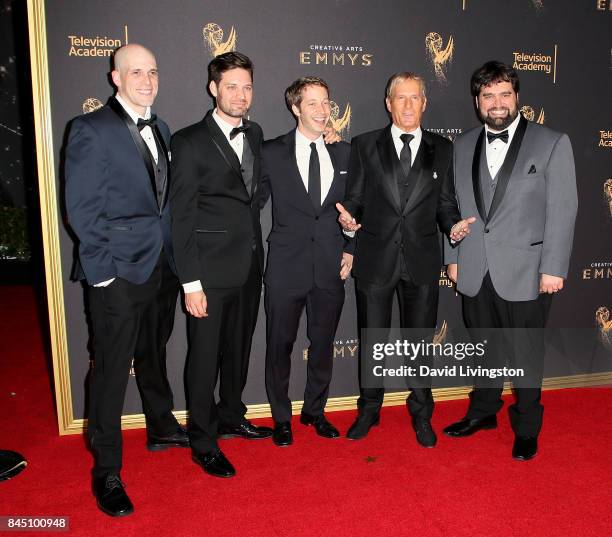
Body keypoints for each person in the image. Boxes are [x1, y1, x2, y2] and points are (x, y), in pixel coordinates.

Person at [65, 44, 187, 517]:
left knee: (153, 352)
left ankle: (159, 424)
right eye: (136, 72)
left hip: (159, 268)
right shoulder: (89, 129)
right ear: (115, 77)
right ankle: (107, 469)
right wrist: (100, 274)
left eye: (152, 71)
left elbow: (164, 203)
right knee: (113, 370)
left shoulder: (161, 127)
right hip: (115, 272)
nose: (146, 80)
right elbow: (82, 210)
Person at [443, 61, 577, 461]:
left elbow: (563, 208)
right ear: (477, 101)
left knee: (525, 353)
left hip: (528, 270)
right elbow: (451, 204)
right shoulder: (462, 145)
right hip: (475, 267)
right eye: (488, 96)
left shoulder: (551, 142)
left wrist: (554, 266)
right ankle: (484, 412)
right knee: (483, 347)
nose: (497, 103)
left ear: (517, 97)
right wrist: (454, 254)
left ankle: (527, 426)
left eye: (504, 94)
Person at [337, 72, 473, 447]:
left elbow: (446, 203)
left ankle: (421, 414)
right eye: (401, 98)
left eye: (415, 98)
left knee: (419, 344)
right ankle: (368, 410)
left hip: (422, 261)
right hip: (375, 260)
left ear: (424, 103)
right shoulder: (364, 145)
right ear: (388, 102)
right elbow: (356, 198)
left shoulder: (443, 148)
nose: (408, 105)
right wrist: (349, 219)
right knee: (373, 340)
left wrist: (453, 228)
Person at [169, 52, 272, 479]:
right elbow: (182, 216)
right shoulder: (189, 140)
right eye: (231, 86)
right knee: (205, 356)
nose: (240, 95)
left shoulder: (257, 131)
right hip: (207, 274)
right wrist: (190, 282)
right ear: (214, 89)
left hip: (249, 264)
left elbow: (257, 191)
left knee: (239, 349)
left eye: (246, 86)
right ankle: (203, 439)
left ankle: (232, 414)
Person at [260, 77, 353, 447]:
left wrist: (351, 245)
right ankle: (281, 417)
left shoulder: (344, 152)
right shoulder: (270, 152)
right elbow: (251, 204)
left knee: (323, 342)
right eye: (311, 103)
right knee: (279, 345)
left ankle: (315, 410)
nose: (320, 110)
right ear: (295, 108)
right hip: (285, 265)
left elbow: (356, 206)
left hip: (330, 264)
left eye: (325, 102)